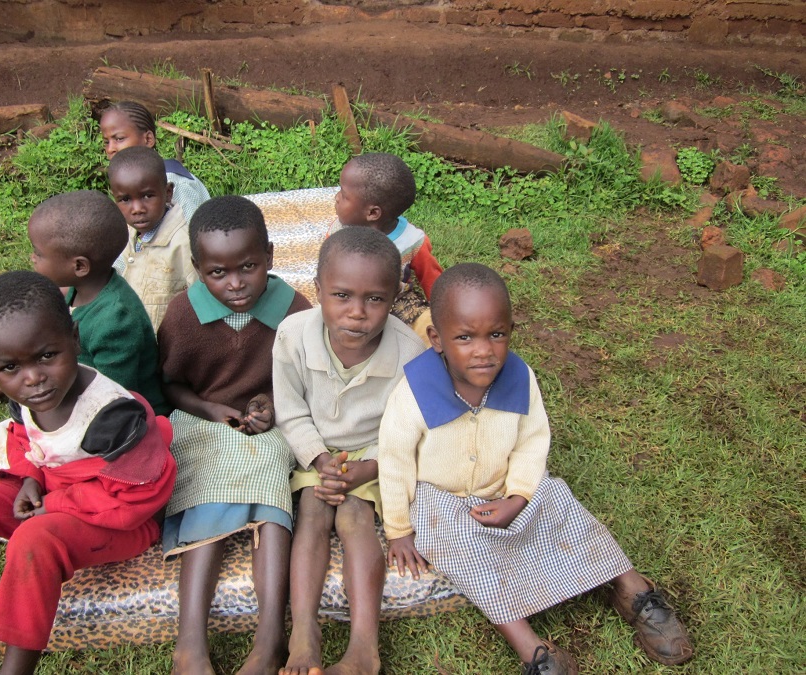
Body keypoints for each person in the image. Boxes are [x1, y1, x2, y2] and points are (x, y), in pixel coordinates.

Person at [378, 263, 693, 675]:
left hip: (506, 485)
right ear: (436, 339)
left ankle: (631, 588)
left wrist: (520, 495)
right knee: (458, 545)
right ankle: (533, 649)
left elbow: (531, 443)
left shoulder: (520, 377)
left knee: (560, 503)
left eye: (496, 334)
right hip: (446, 498)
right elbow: (395, 461)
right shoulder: (413, 393)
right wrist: (398, 530)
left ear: (511, 329)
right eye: (464, 337)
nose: (483, 350)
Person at [0, 271, 177, 674]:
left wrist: (54, 504)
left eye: (47, 356)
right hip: (51, 496)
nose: (32, 377)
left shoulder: (112, 415)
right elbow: (22, 440)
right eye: (10, 367)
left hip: (120, 521)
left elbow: (139, 496)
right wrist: (29, 477)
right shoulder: (27, 398)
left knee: (34, 540)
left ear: (74, 338)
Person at [0, 191, 169, 547]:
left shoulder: (115, 319)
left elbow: (110, 400)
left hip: (95, 438)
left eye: (38, 253)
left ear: (78, 266)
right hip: (54, 408)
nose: (32, 258)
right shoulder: (74, 293)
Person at [157, 195, 311, 675]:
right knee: (207, 485)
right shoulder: (184, 315)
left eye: (248, 266)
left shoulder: (294, 310)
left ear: (269, 254)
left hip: (271, 425)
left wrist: (271, 406)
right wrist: (208, 407)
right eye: (217, 273)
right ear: (199, 269)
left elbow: (304, 383)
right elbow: (171, 385)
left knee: (270, 489)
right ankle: (191, 644)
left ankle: (269, 640)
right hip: (202, 419)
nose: (236, 283)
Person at [273, 227, 425, 675]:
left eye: (375, 299)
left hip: (379, 451)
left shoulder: (410, 354)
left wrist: (370, 465)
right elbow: (290, 410)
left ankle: (364, 648)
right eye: (341, 295)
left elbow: (408, 428)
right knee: (313, 513)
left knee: (356, 517)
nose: (357, 313)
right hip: (315, 451)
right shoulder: (292, 335)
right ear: (316, 290)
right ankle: (304, 632)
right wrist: (318, 459)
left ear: (396, 295)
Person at [328, 152, 442, 335]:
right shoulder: (339, 232)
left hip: (397, 302)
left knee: (429, 328)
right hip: (350, 300)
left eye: (344, 194)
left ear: (372, 213)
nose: (336, 197)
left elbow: (434, 281)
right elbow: (328, 267)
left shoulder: (412, 241)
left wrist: (445, 313)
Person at [109, 145, 197, 330]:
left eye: (147, 196)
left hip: (165, 346)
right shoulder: (123, 234)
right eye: (125, 200)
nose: (137, 209)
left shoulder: (184, 244)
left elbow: (202, 298)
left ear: (168, 193)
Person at [99, 101, 210, 221]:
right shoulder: (129, 183)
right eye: (106, 142)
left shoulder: (176, 184)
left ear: (148, 139)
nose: (110, 149)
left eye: (119, 139)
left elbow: (191, 236)